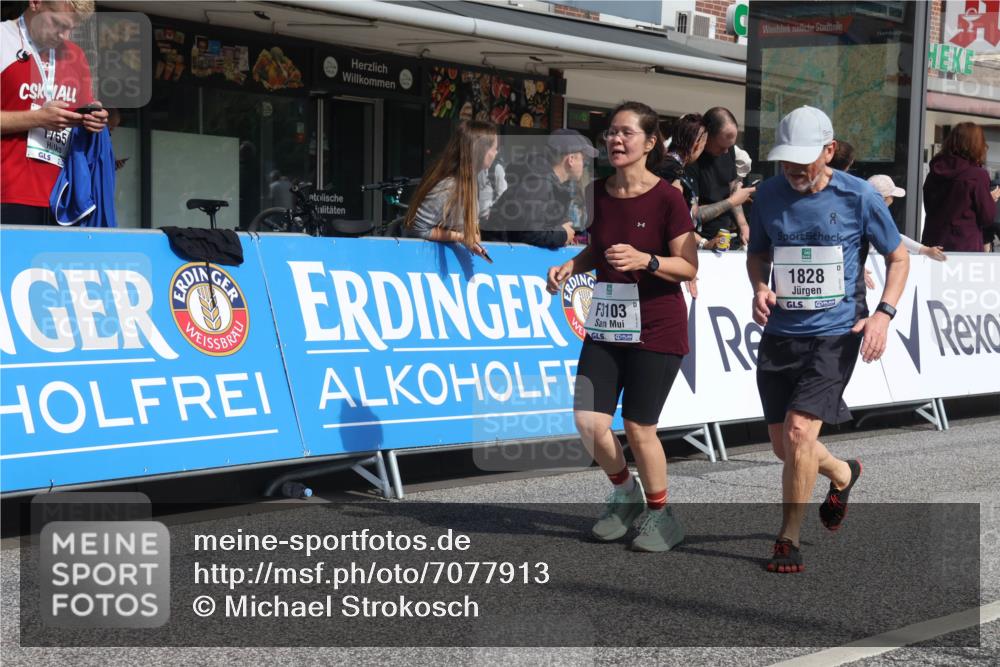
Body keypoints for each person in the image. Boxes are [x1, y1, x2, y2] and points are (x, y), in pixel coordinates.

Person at [747, 106, 909, 573]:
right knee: (785, 447)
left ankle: (787, 539)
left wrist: (882, 315)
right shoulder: (768, 195)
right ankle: (842, 471)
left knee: (799, 433)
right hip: (781, 333)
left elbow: (898, 258)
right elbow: (757, 254)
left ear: (829, 150)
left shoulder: (859, 196)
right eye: (786, 161)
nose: (795, 169)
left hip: (835, 335)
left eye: (804, 159)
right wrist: (760, 285)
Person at [545, 101, 698, 552]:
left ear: (650, 143)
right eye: (611, 132)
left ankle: (661, 515)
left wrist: (646, 260)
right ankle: (626, 493)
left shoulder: (668, 197)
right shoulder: (596, 192)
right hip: (608, 322)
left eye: (627, 133)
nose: (615, 140)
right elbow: (599, 248)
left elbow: (688, 266)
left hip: (657, 324)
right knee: (588, 421)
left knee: (638, 427)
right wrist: (571, 264)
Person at [1, 0, 108, 225]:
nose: (65, 36)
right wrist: (38, 118)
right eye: (59, 24)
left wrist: (92, 120)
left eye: (72, 28)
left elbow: (80, 114)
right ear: (36, 3)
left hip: (64, 199)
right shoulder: (3, 41)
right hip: (8, 193)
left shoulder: (76, 56)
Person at [485, 128, 597, 248]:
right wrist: (562, 235)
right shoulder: (538, 183)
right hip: (503, 258)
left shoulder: (551, 183)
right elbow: (529, 233)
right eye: (584, 160)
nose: (585, 165)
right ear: (571, 159)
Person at [403, 120, 496, 259]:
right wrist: (461, 237)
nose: (496, 153)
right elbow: (417, 229)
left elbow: (466, 230)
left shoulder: (471, 182)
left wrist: (471, 240)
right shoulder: (449, 186)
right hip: (422, 263)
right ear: (481, 151)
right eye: (494, 149)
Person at [921, 122, 999, 252]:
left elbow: (930, 207)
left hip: (933, 243)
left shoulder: (934, 172)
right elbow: (987, 218)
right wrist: (990, 199)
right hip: (964, 247)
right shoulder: (977, 175)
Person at [686, 107, 756, 249]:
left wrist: (743, 225)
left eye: (730, 145)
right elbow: (692, 216)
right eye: (721, 146)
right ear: (706, 135)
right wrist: (731, 201)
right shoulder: (691, 161)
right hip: (699, 243)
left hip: (726, 238)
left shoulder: (728, 149)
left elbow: (732, 188)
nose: (726, 151)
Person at [867, 174, 946, 262]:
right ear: (883, 199)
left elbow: (893, 236)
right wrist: (925, 250)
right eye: (892, 196)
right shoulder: (872, 218)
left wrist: (925, 250)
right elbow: (894, 237)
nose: (892, 200)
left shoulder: (861, 214)